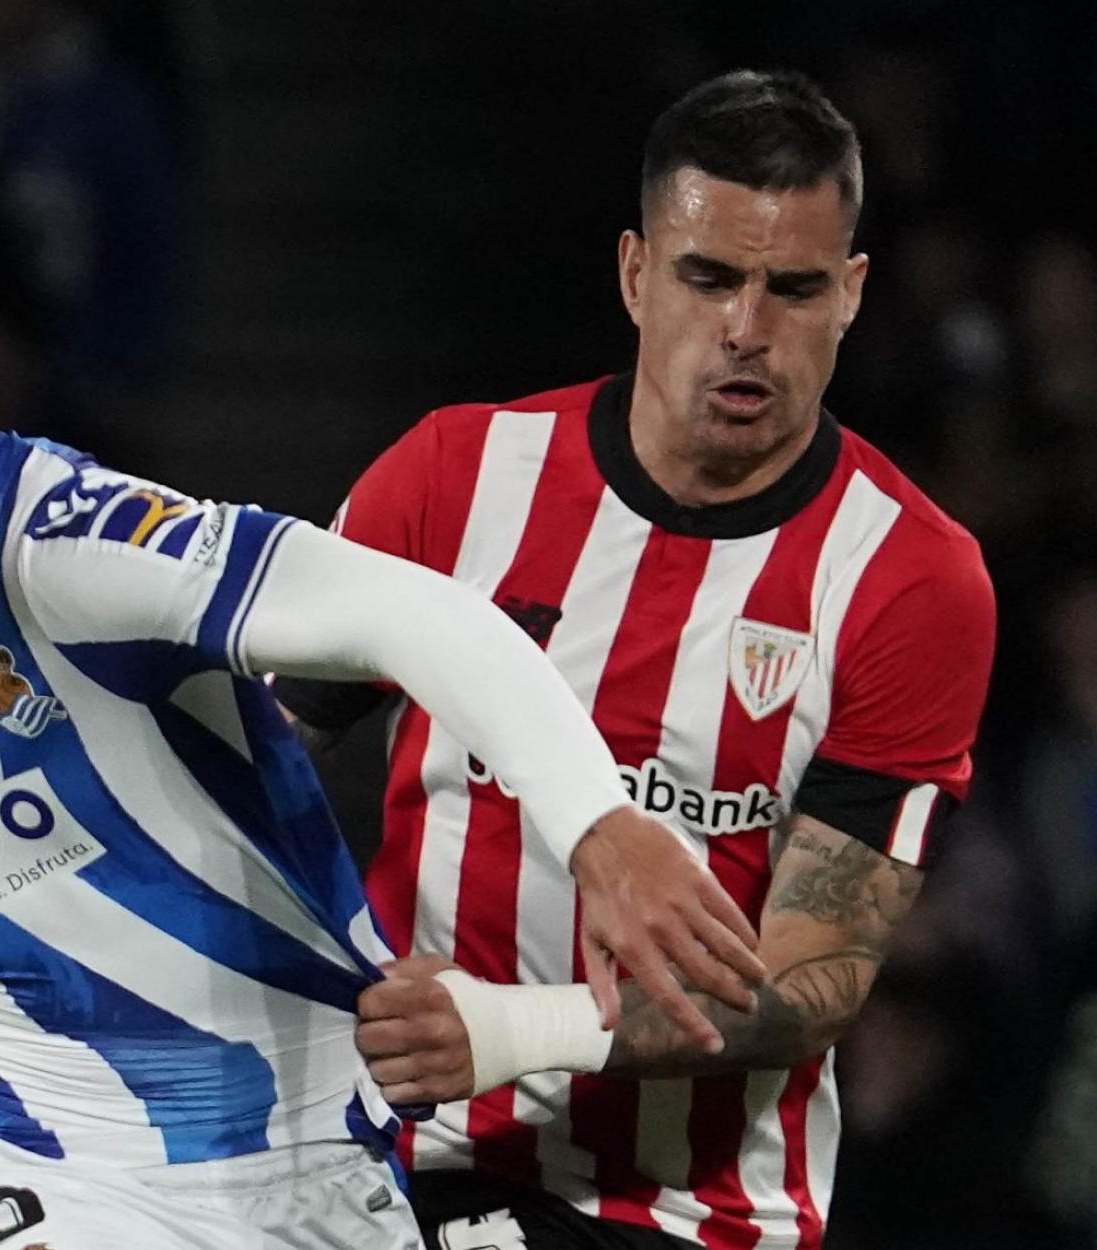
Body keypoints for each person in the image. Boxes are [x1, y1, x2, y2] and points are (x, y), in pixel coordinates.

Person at [0, 156, 770, 1250]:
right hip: (32, 1152)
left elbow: (417, 614)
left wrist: (601, 827)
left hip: (301, 1161)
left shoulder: (70, 550)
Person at [273, 71, 996, 1250]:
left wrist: (511, 1033)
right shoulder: (453, 478)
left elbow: (816, 975)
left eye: (794, 288)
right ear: (634, 273)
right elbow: (251, 763)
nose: (747, 329)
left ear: (853, 295)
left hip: (684, 1211)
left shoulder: (911, 579)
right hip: (384, 1157)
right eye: (710, 277)